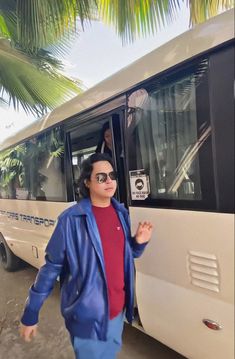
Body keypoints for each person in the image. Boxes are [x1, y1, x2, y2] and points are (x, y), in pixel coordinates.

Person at [19, 153, 153, 359]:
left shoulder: (120, 213)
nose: (109, 181)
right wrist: (31, 312)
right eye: (101, 177)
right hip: (87, 315)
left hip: (117, 311)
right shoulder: (71, 220)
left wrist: (138, 243)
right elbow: (51, 267)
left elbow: (124, 256)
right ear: (87, 182)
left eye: (112, 175)